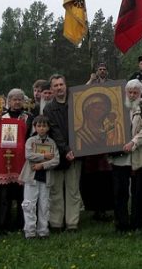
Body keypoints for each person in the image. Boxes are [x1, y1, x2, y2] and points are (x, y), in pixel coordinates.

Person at [107, 80, 142, 232]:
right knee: (119, 192)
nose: (132, 95)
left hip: (138, 155)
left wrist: (133, 143)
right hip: (120, 157)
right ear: (125, 92)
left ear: (140, 93)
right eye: (130, 92)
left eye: (135, 92)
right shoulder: (117, 109)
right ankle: (121, 224)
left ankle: (136, 223)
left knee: (138, 191)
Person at [44, 74, 82, 232]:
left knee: (73, 190)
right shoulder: (49, 108)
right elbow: (54, 131)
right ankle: (56, 223)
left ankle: (72, 223)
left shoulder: (76, 103)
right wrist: (66, 149)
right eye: (55, 86)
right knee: (56, 190)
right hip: (57, 154)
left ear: (66, 86)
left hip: (77, 153)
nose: (59, 88)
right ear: (52, 89)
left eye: (61, 84)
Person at [0, 88, 30, 232]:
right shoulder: (2, 117)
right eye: (14, 99)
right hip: (4, 160)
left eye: (20, 99)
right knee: (4, 195)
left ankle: (20, 223)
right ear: (9, 101)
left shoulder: (27, 117)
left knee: (21, 194)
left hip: (21, 159)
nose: (17, 102)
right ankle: (3, 224)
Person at [20, 116, 59, 239]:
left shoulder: (52, 143)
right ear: (35, 127)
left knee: (44, 204)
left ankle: (43, 231)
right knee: (29, 204)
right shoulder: (30, 141)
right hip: (31, 177)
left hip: (45, 176)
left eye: (44, 126)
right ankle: (30, 231)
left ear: (48, 128)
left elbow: (56, 160)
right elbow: (29, 155)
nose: (42, 129)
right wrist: (44, 155)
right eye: (39, 126)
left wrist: (42, 165)